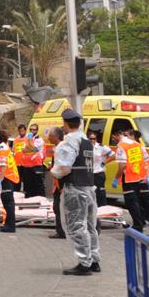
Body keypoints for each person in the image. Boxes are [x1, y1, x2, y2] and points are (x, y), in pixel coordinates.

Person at [51, 108, 100, 275]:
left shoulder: (69, 142)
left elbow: (64, 168)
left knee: (76, 225)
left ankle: (84, 263)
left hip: (75, 187)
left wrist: (52, 173)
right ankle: (94, 259)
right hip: (89, 187)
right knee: (90, 226)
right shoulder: (86, 141)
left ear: (65, 124)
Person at [113, 127, 149, 232]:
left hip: (129, 178)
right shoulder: (136, 144)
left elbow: (123, 165)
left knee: (131, 203)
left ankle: (138, 226)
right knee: (137, 201)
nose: (114, 140)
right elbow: (144, 160)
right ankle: (141, 222)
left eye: (114, 138)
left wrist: (116, 178)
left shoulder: (121, 146)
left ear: (117, 135)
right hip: (139, 176)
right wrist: (146, 175)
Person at [0, 129, 20, 233]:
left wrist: (0, 180)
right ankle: (8, 224)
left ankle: (10, 226)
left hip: (6, 178)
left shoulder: (2, 149)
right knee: (7, 202)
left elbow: (3, 166)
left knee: (8, 202)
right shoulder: (4, 147)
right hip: (8, 178)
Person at [45, 127, 66, 239]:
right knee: (56, 207)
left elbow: (63, 167)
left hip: (61, 184)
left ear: (56, 137)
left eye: (50, 136)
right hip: (57, 184)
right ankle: (60, 230)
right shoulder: (57, 148)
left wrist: (62, 185)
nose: (48, 138)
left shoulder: (61, 149)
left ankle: (62, 231)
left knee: (59, 207)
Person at [18, 123, 46, 198]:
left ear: (37, 130)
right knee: (28, 184)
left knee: (38, 183)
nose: (32, 131)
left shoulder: (39, 140)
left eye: (34, 129)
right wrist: (29, 148)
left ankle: (42, 198)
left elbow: (35, 149)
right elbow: (23, 150)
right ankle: (29, 199)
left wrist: (30, 143)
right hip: (26, 165)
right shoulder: (26, 139)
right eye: (30, 129)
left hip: (36, 164)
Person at [88, 129, 112, 209]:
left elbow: (113, 155)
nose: (92, 140)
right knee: (90, 193)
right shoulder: (86, 147)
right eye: (90, 139)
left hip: (98, 173)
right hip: (89, 173)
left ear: (96, 139)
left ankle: (102, 209)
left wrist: (104, 162)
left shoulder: (101, 147)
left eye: (94, 139)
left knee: (100, 193)